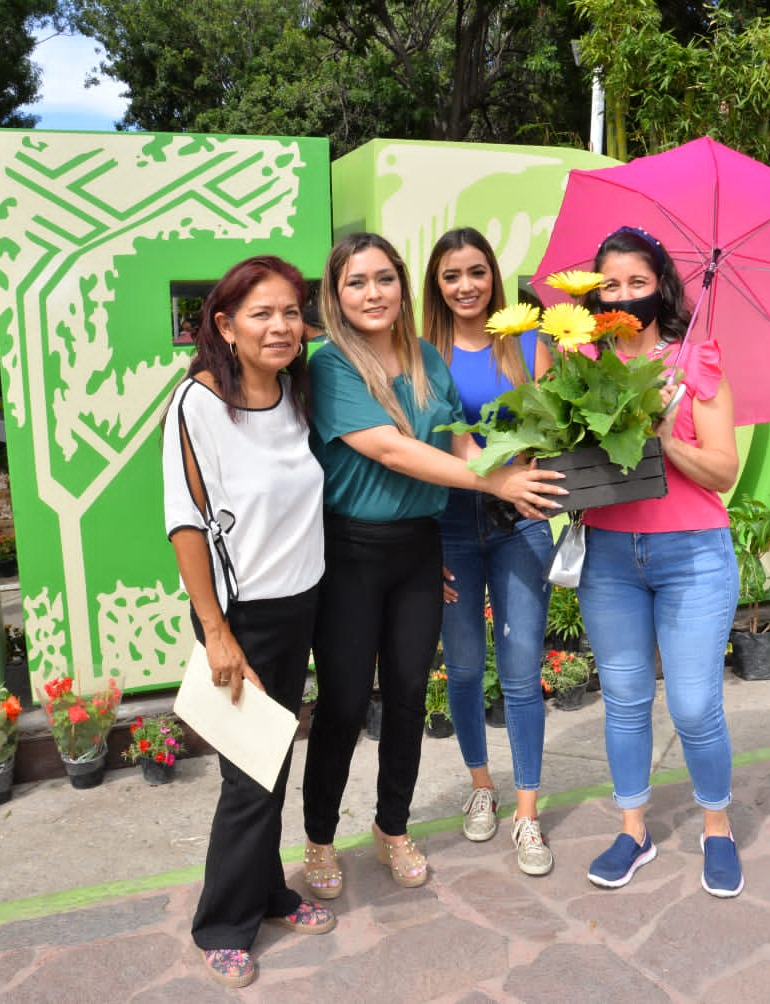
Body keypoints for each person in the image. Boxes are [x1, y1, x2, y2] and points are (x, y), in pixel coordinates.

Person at [300, 232, 565, 898]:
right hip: (354, 551)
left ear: (401, 286)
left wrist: (504, 470)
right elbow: (391, 451)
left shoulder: (423, 357)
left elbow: (456, 434)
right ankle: (320, 839)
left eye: (383, 278)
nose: (372, 293)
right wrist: (491, 483)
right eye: (356, 282)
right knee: (345, 702)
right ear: (336, 294)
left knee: (413, 696)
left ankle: (393, 828)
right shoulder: (332, 365)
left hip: (420, 547)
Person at [161, 256, 334, 989]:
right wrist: (217, 632)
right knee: (248, 777)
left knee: (272, 760)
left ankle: (267, 895)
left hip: (303, 604)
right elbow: (186, 523)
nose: (281, 326)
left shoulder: (297, 394)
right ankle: (222, 924)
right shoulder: (196, 404)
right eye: (262, 314)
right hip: (242, 616)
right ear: (226, 326)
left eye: (291, 311)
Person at [574, 226, 744, 897]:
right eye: (609, 284)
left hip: (693, 556)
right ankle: (633, 829)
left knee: (696, 704)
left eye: (637, 283)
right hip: (610, 555)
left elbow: (724, 471)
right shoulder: (582, 368)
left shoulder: (695, 364)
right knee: (624, 699)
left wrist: (664, 439)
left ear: (660, 286)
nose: (624, 295)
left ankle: (717, 828)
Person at [421, 227, 556, 875]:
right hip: (448, 529)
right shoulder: (421, 355)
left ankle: (527, 814)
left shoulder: (531, 342)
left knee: (522, 670)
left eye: (477, 272)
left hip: (520, 525)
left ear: (494, 277)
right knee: (467, 669)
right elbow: (426, 447)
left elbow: (551, 434)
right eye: (452, 275)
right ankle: (483, 785)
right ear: (437, 285)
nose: (466, 286)